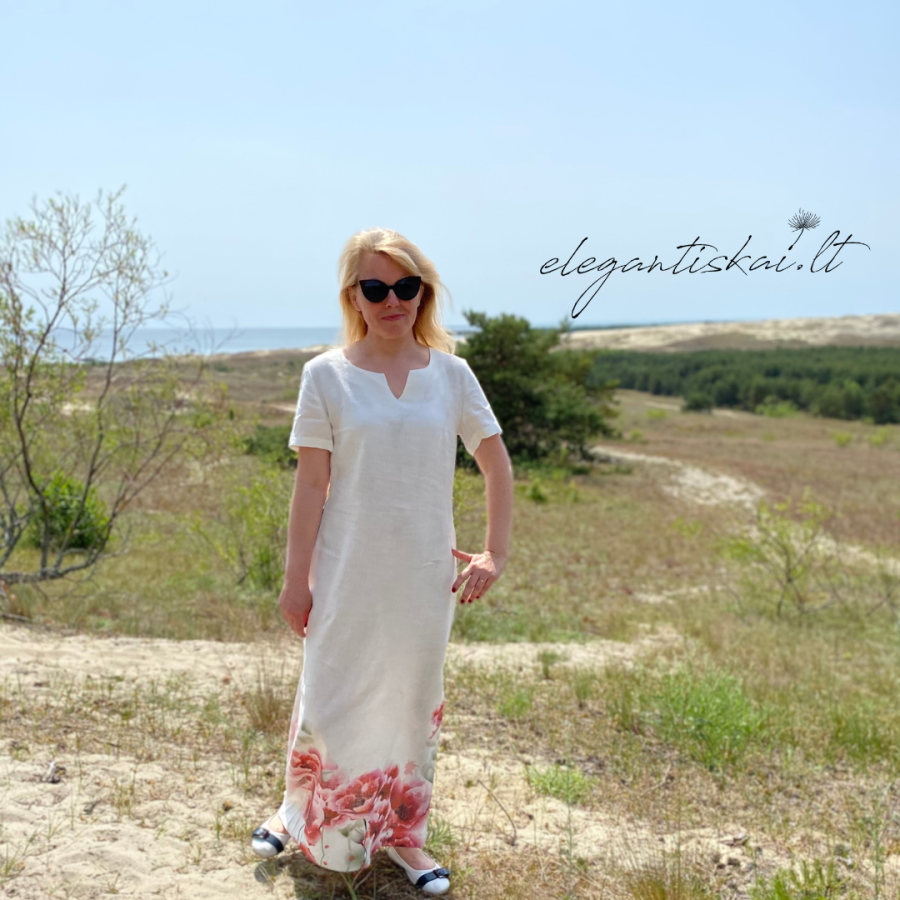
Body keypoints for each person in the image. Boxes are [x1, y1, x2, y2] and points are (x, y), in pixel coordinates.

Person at [250, 227, 514, 894]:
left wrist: (494, 552)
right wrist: (295, 581)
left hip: (423, 579)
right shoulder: (325, 376)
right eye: (376, 287)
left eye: (406, 286)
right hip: (343, 572)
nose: (392, 299)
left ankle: (404, 838)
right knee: (333, 696)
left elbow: (495, 463)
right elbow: (311, 485)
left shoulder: (452, 375)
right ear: (354, 296)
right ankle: (299, 813)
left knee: (410, 698)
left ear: (422, 293)